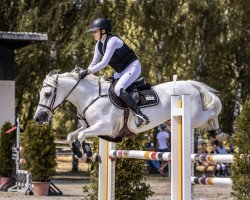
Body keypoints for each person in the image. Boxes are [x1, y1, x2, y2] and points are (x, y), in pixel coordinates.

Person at [78, 17, 149, 128]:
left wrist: (87, 72)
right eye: (92, 32)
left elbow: (104, 63)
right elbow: (93, 63)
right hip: (121, 71)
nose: (93, 34)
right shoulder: (99, 45)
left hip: (133, 66)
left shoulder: (113, 41)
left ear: (103, 31)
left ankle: (140, 115)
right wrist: (84, 77)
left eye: (95, 31)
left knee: (118, 89)